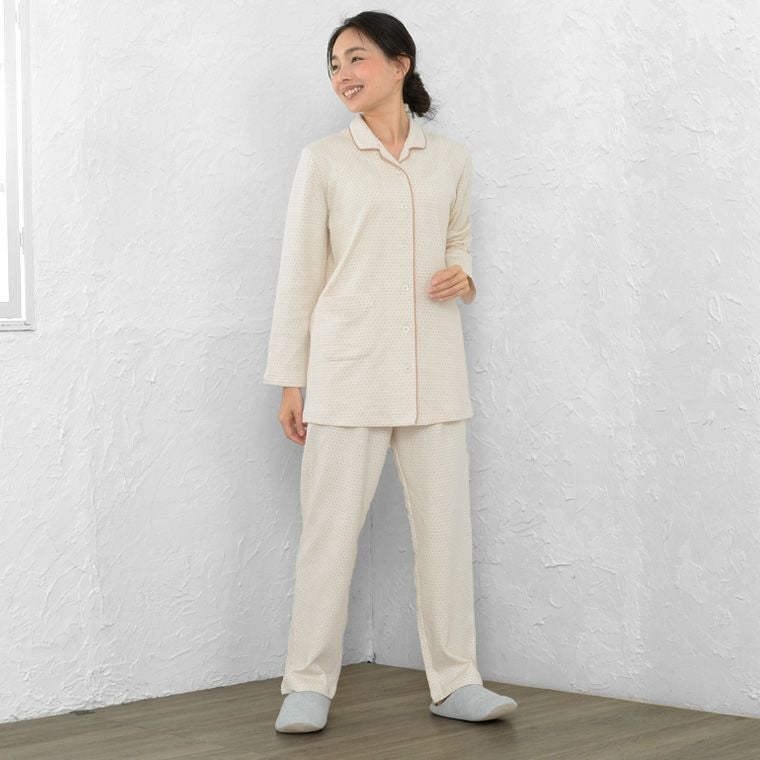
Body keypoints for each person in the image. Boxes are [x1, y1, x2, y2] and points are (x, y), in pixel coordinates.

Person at [263, 11, 518, 733]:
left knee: (445, 536)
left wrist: (462, 274)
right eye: (334, 65)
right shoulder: (324, 160)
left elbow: (459, 240)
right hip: (348, 373)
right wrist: (291, 380)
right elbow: (299, 273)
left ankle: (456, 682)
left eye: (356, 58)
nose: (343, 74)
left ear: (401, 63)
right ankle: (307, 685)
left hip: (435, 372)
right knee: (329, 536)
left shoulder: (451, 159)